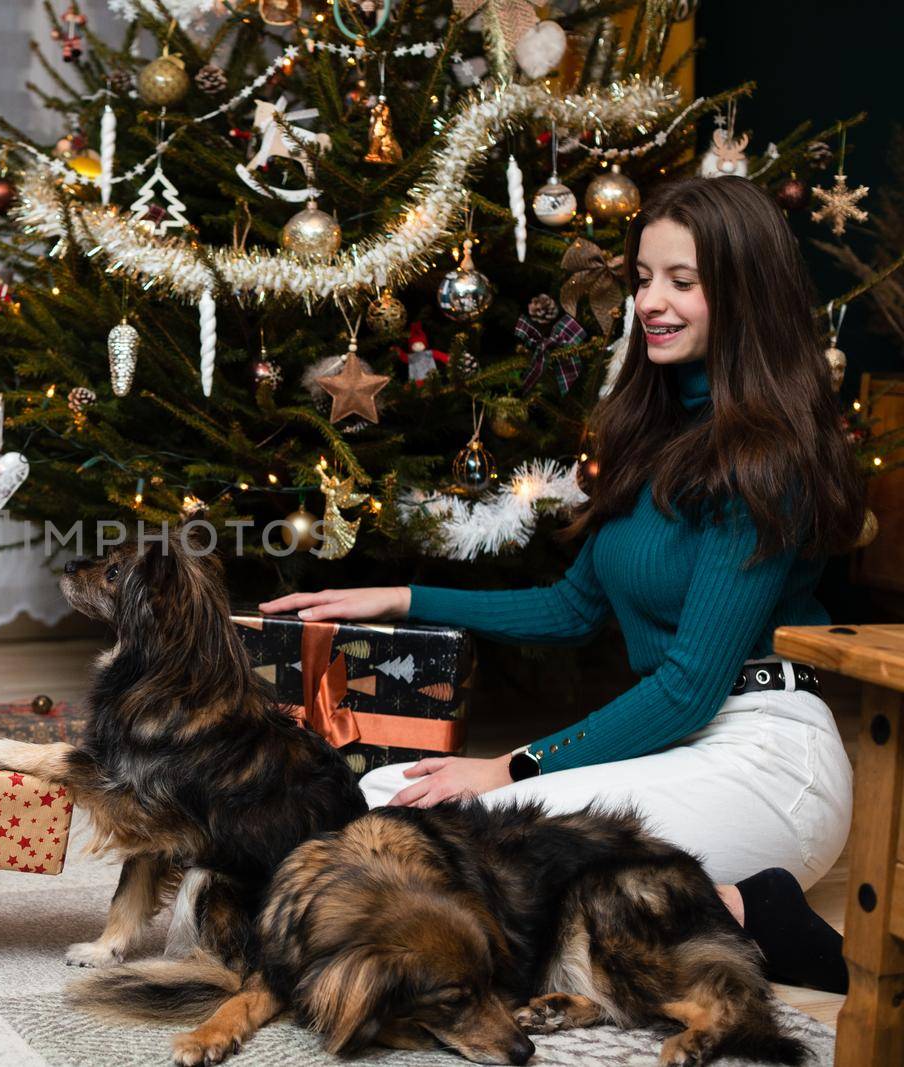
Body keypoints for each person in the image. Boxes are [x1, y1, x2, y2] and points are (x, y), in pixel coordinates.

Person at [262, 176, 866, 993]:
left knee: (476, 825)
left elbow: (689, 686)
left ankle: (759, 916)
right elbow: (571, 605)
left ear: (744, 292)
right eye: (644, 277)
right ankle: (688, 910)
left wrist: (512, 765)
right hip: (683, 748)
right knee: (388, 795)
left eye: (682, 282)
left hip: (768, 757)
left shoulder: (769, 456)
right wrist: (400, 599)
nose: (652, 301)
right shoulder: (651, 432)